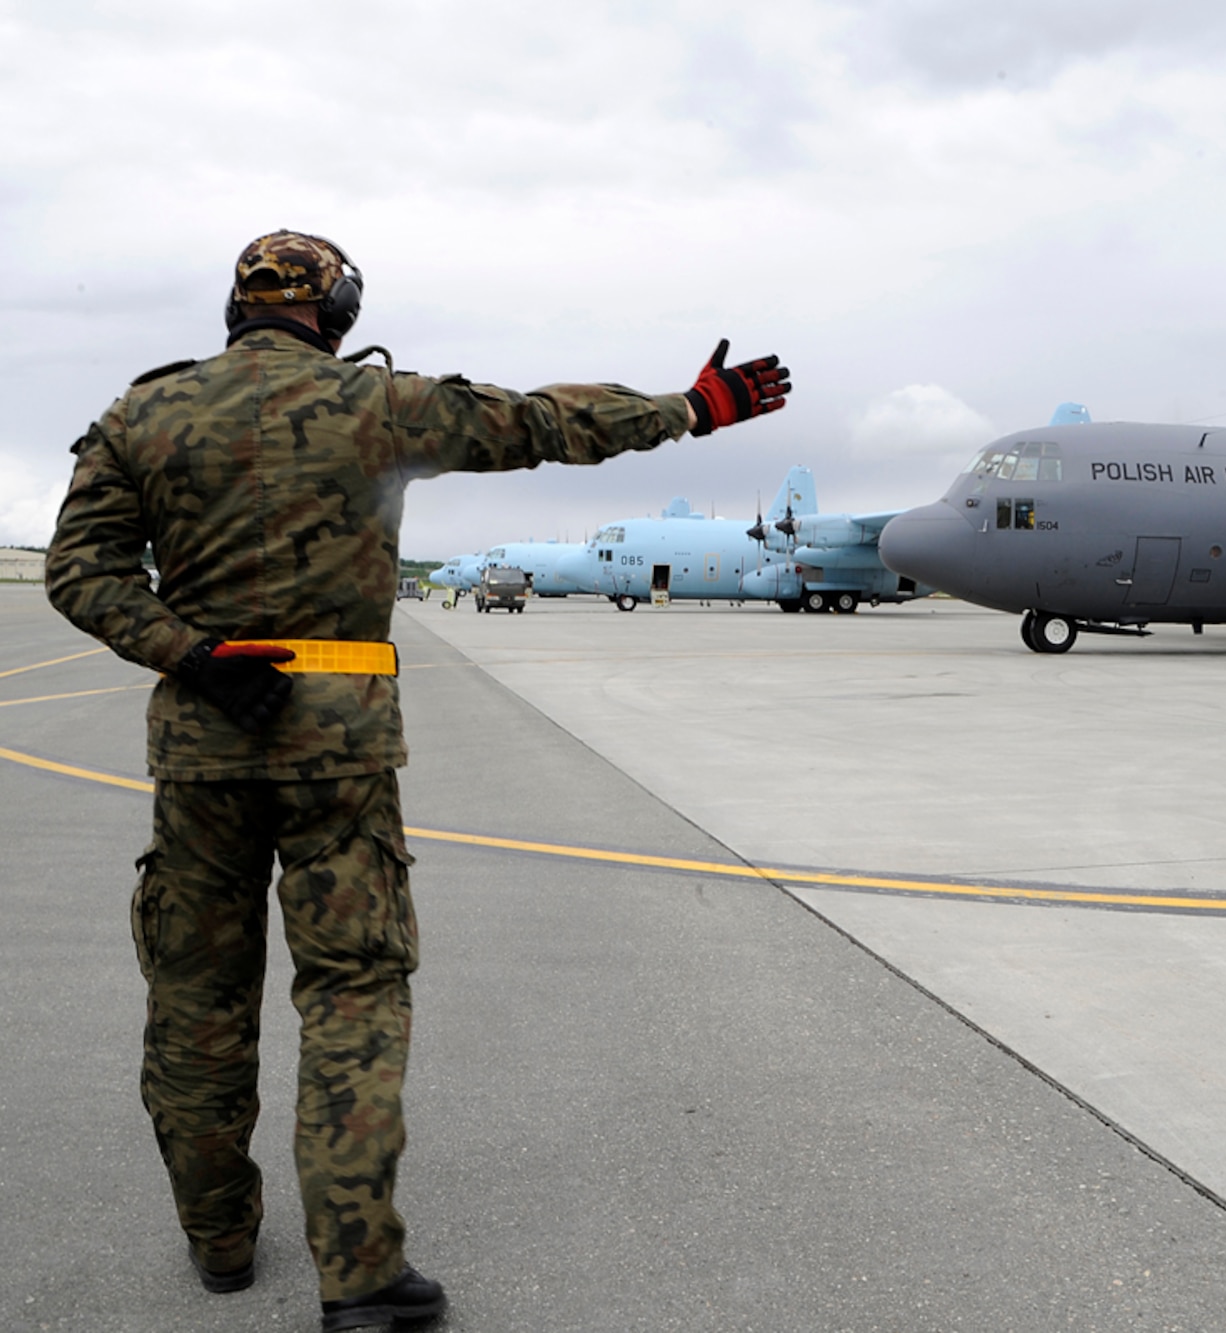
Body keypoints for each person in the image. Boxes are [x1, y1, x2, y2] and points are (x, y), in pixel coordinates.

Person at [44, 230, 789, 1330]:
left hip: (203, 746)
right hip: (340, 751)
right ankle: (358, 1277)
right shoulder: (381, 407)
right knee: (352, 993)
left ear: (234, 306)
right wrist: (690, 408)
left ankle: (219, 1240)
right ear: (338, 308)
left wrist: (189, 651)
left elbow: (79, 570)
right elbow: (543, 422)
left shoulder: (140, 416)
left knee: (195, 1000)